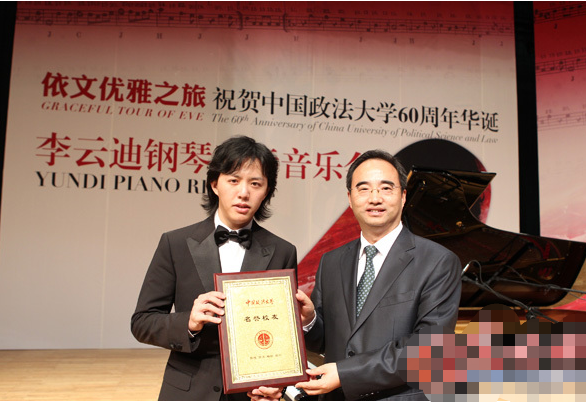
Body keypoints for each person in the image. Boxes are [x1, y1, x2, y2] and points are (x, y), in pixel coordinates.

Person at [131, 135, 297, 401]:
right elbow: (142, 322)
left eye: (255, 183)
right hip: (188, 392)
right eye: (233, 180)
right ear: (214, 183)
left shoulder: (283, 251)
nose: (244, 192)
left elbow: (283, 335)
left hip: (252, 395)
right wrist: (189, 322)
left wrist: (278, 385)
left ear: (266, 191)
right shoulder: (175, 243)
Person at [294, 149, 462, 400]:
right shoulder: (331, 261)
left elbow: (429, 349)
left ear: (403, 197)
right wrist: (309, 320)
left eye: (386, 188)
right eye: (363, 189)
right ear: (350, 198)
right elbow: (329, 341)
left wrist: (346, 374)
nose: (375, 198)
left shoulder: (438, 261)